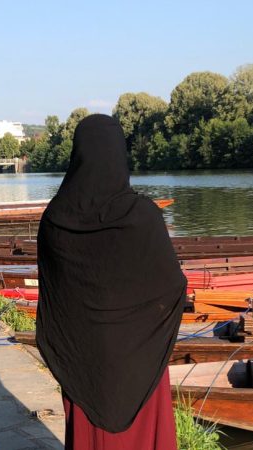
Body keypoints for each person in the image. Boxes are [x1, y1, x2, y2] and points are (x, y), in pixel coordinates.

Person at [36, 114, 187, 450]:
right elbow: (173, 285)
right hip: (140, 357)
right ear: (120, 154)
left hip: (82, 361)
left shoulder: (54, 219)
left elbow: (54, 296)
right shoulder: (143, 216)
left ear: (79, 155)